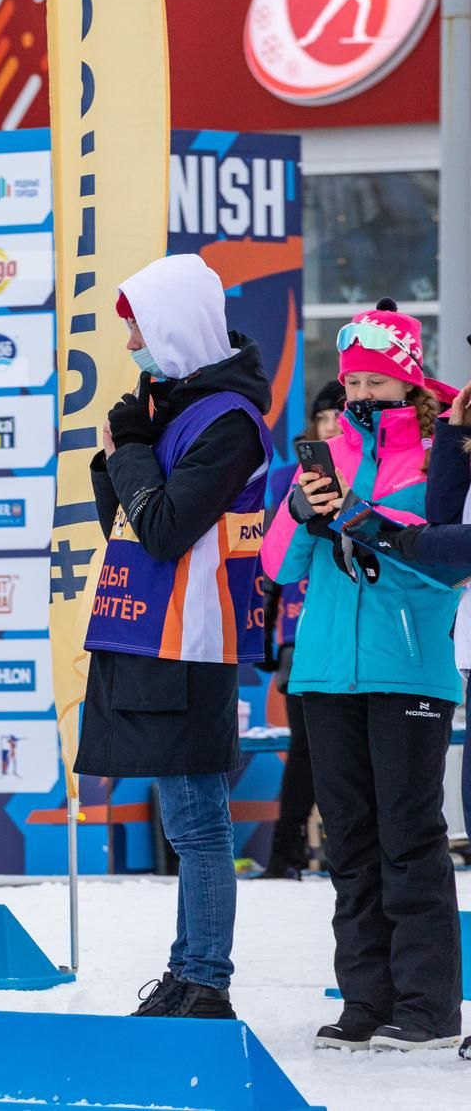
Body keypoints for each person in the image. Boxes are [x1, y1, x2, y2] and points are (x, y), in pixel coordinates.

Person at [77, 254, 273, 1022]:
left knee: (198, 824)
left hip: (190, 642)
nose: (131, 346)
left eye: (138, 328)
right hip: (152, 636)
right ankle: (185, 972)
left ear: (177, 328)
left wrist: (129, 451)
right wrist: (119, 452)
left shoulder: (227, 421)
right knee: (185, 820)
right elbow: (123, 526)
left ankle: (207, 980)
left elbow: (161, 528)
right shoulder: (178, 408)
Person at [265, 301, 464, 1052]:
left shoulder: (441, 457)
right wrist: (301, 512)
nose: (360, 393)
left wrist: (369, 521)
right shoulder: (325, 455)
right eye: (351, 379)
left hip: (409, 664)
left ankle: (428, 1006)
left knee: (409, 838)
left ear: (406, 380)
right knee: (348, 840)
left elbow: (448, 564)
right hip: (324, 672)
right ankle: (365, 997)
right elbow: (278, 569)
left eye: (376, 379)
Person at [256, 379, 343, 880]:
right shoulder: (291, 475)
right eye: (324, 415)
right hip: (300, 630)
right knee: (306, 751)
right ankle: (285, 854)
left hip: (357, 626)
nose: (331, 422)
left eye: (339, 413)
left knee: (347, 755)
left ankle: (339, 853)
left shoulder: (366, 471)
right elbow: (275, 560)